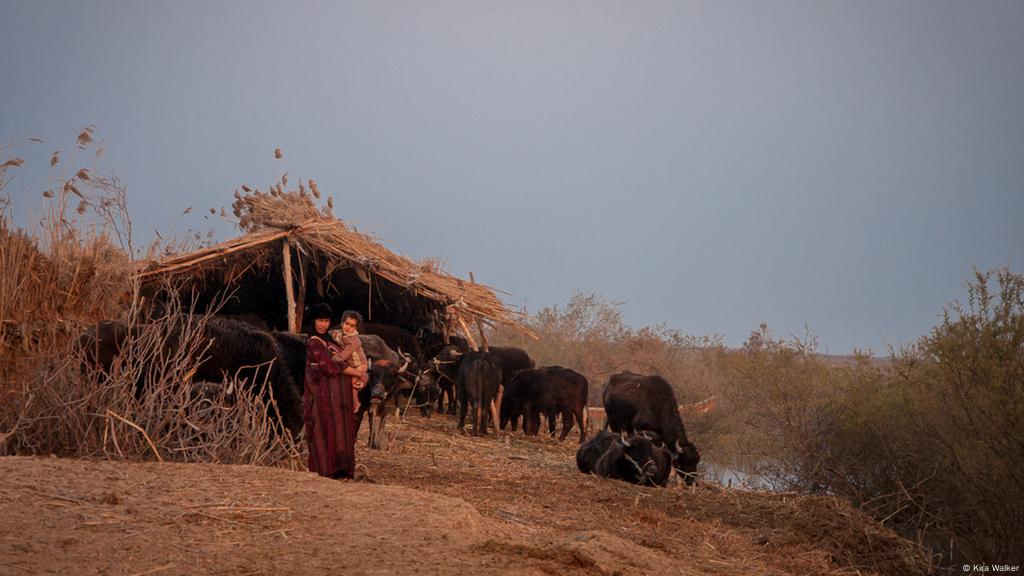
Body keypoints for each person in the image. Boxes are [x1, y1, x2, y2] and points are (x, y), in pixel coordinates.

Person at [303, 303, 357, 479]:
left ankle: (341, 470)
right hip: (320, 395)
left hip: (336, 398)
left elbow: (343, 361)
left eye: (326, 321)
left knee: (339, 430)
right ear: (313, 321)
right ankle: (325, 470)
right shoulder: (314, 342)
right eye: (320, 320)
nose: (323, 324)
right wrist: (358, 373)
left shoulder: (331, 341)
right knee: (323, 429)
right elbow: (329, 365)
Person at [330, 311, 370, 413]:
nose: (348, 327)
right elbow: (331, 334)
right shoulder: (339, 333)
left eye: (352, 326)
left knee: (353, 383)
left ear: (356, 328)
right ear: (342, 323)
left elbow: (344, 355)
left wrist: (332, 359)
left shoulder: (353, 340)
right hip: (351, 363)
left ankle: (356, 403)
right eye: (347, 324)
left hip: (360, 364)